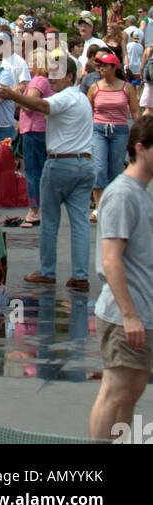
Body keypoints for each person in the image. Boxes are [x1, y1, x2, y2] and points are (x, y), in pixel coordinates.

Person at [0, 56, 94, 289]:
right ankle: (80, 275)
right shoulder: (81, 98)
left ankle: (47, 271)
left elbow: (42, 106)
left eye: (56, 73)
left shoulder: (64, 97)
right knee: (79, 221)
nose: (51, 77)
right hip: (84, 163)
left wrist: (13, 95)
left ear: (70, 76)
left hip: (61, 163)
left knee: (49, 220)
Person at [88, 117, 153, 440]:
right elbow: (110, 260)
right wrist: (129, 316)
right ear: (140, 149)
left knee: (130, 394)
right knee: (115, 392)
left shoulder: (140, 193)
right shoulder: (123, 194)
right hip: (124, 314)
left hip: (141, 311)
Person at [88, 51, 141, 221]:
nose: (100, 69)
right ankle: (99, 207)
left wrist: (138, 135)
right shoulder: (94, 87)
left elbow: (135, 111)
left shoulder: (127, 88)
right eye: (99, 66)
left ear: (113, 67)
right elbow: (87, 111)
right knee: (99, 168)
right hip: (99, 130)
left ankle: (114, 205)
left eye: (104, 65)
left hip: (119, 130)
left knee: (116, 169)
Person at [18, 50, 54, 227]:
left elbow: (29, 105)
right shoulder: (45, 81)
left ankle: (34, 210)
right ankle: (41, 207)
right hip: (40, 129)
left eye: (32, 60)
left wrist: (17, 96)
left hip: (34, 129)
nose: (28, 63)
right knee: (40, 169)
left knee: (33, 171)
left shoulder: (38, 81)